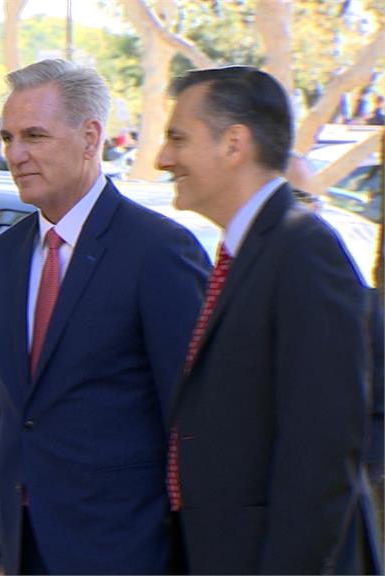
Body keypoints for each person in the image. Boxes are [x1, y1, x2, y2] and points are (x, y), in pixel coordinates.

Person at [0, 58, 210, 575]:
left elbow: (193, 424)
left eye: (34, 136)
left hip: (127, 550)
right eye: (7, 137)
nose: (15, 154)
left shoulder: (158, 251)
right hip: (21, 550)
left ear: (90, 136)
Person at [157, 65, 380, 574]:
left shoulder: (303, 250)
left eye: (178, 139)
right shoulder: (251, 251)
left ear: (234, 143)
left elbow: (322, 454)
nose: (162, 158)